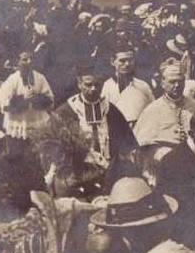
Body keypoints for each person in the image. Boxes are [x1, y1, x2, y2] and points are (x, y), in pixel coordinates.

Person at [53, 61, 137, 191]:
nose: (93, 88)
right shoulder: (66, 111)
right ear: (79, 84)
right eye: (88, 84)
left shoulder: (110, 110)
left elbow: (128, 143)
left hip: (110, 172)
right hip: (78, 176)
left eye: (97, 85)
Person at [134, 62, 195, 146]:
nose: (177, 85)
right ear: (162, 83)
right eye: (172, 82)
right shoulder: (152, 110)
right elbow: (143, 143)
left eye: (180, 81)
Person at [0, 48, 54, 140]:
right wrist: (24, 101)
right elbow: (5, 104)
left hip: (37, 121)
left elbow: (50, 100)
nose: (29, 62)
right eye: (24, 59)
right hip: (19, 123)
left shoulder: (40, 78)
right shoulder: (12, 80)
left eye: (31, 59)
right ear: (17, 62)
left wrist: (38, 99)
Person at [102, 48, 154, 127]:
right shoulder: (107, 86)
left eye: (130, 60)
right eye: (122, 61)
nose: (127, 64)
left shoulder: (143, 85)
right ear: (113, 62)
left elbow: (153, 110)